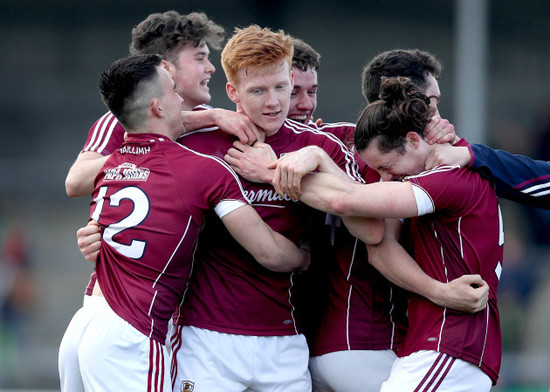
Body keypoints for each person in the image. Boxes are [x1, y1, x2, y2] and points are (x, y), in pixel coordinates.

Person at [58, 53, 310, 392]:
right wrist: (306, 256)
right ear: (158, 107)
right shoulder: (203, 170)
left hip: (87, 323)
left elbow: (100, 223)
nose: (181, 100)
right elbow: (270, 253)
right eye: (173, 91)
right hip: (133, 333)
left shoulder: (108, 166)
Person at [167, 25, 383, 392]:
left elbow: (371, 229)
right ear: (232, 91)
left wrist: (284, 171)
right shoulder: (195, 144)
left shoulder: (320, 147)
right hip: (204, 338)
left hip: (285, 339)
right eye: (258, 91)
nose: (273, 102)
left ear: (291, 77)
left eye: (281, 87)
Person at [273, 77, 503, 390]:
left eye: (387, 165)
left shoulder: (449, 178)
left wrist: (272, 169)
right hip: (429, 346)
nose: (383, 178)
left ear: (412, 140)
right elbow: (379, 242)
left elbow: (345, 200)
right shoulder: (432, 177)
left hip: (452, 345)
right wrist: (437, 290)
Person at [65, 10, 261, 199]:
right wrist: (141, 149)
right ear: (166, 67)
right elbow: (75, 182)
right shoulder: (124, 117)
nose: (211, 68)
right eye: (200, 58)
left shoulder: (218, 120)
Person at [363, 48, 550, 209]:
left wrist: (470, 154)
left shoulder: (452, 169)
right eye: (432, 106)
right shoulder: (354, 169)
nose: (439, 119)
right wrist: (471, 155)